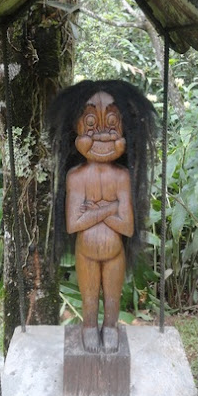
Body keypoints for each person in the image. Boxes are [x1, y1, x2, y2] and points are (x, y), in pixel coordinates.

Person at [47, 80, 157, 353]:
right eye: (90, 124)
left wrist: (95, 210)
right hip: (85, 253)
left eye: (112, 123)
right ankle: (88, 327)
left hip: (114, 253)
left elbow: (128, 227)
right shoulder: (76, 177)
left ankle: (110, 327)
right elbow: (73, 224)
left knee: (111, 298)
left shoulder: (122, 177)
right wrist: (110, 208)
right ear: (75, 128)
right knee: (88, 298)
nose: (103, 135)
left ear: (126, 128)